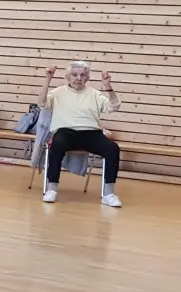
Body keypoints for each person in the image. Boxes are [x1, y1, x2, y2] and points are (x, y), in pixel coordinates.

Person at [40, 61, 123, 207]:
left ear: (87, 78)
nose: (78, 78)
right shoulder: (58, 92)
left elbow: (114, 107)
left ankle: (108, 194)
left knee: (112, 148)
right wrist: (48, 79)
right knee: (57, 144)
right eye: (74, 74)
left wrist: (108, 86)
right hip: (65, 132)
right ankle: (51, 189)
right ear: (67, 76)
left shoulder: (94, 94)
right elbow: (41, 103)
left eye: (83, 75)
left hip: (91, 132)